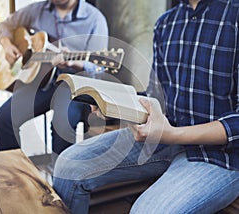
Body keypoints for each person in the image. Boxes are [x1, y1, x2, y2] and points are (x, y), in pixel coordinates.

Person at [52, 0, 239, 213]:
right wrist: (112, 102)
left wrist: (173, 134)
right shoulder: (166, 23)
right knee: (68, 164)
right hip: (165, 137)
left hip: (223, 156)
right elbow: (156, 96)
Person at [0, 0, 108, 158]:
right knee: (3, 120)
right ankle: (15, 174)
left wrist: (75, 63)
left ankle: (61, 179)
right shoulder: (36, 10)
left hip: (73, 85)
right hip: (40, 83)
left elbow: (99, 67)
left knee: (62, 125)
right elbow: (5, 26)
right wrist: (7, 45)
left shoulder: (95, 19)